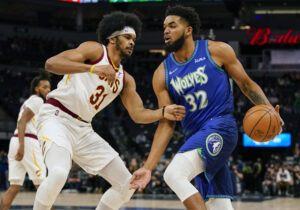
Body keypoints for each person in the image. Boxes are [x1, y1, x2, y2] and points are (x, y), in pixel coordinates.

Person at [130, 5, 284, 210]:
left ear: (188, 30)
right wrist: (148, 168)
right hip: (194, 136)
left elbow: (246, 84)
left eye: (172, 25)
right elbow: (166, 124)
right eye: (164, 26)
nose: (166, 30)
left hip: (220, 127)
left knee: (173, 174)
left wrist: (269, 110)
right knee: (218, 203)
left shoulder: (216, 50)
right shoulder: (162, 73)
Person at [33, 11, 185, 210]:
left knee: (127, 184)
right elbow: (51, 64)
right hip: (56, 117)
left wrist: (162, 112)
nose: (132, 42)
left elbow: (138, 114)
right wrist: (93, 69)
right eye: (127, 37)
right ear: (113, 39)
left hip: (83, 129)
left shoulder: (126, 79)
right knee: (60, 172)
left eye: (134, 39)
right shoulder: (95, 51)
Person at [0, 72, 51, 210]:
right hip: (27, 141)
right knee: (42, 184)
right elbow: (22, 122)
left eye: (49, 87)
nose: (48, 90)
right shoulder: (37, 101)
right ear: (36, 88)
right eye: (45, 87)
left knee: (14, 186)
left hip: (16, 140)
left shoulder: (28, 102)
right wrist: (22, 146)